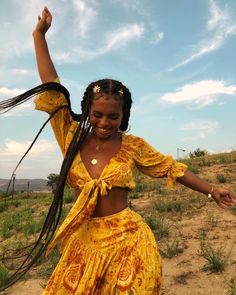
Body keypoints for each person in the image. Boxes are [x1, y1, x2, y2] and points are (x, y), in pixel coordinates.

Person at [1, 6, 235, 294]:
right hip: (84, 242)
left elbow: (172, 168)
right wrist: (39, 36)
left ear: (124, 116)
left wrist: (212, 189)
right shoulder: (70, 137)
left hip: (129, 241)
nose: (105, 123)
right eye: (98, 114)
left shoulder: (133, 146)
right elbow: (52, 89)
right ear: (87, 110)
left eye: (114, 117)